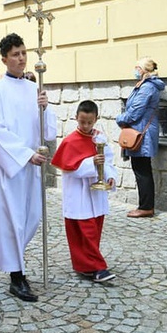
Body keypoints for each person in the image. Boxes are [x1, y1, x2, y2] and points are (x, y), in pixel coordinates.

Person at [0, 33, 57, 302]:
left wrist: (46, 108)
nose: (22, 58)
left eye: (23, 52)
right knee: (13, 220)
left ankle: (18, 266)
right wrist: (25, 155)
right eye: (15, 54)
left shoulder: (32, 89)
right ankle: (17, 277)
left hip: (32, 167)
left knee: (32, 217)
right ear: (4, 59)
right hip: (10, 167)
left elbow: (47, 131)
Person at [51, 100, 117, 283]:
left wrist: (110, 176)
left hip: (96, 194)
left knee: (94, 231)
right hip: (78, 194)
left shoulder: (99, 138)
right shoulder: (70, 141)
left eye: (89, 122)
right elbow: (69, 169)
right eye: (82, 122)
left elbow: (108, 161)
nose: (86, 126)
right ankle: (98, 268)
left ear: (96, 119)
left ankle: (85, 266)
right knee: (85, 231)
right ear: (76, 118)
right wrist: (90, 163)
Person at [115, 57, 165, 218]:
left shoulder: (147, 87)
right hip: (141, 131)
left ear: (144, 70)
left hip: (142, 133)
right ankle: (144, 205)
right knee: (141, 169)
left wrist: (120, 119)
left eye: (137, 67)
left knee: (142, 170)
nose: (135, 70)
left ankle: (146, 207)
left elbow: (136, 111)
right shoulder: (144, 85)